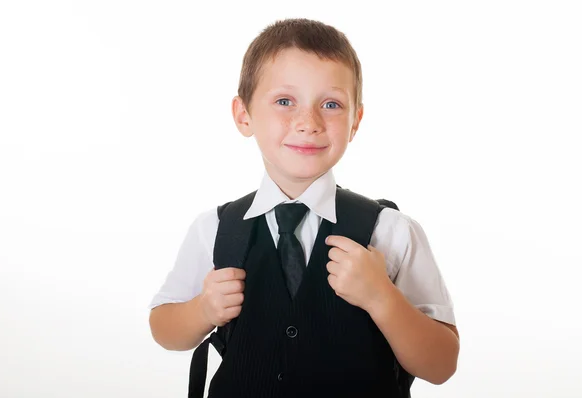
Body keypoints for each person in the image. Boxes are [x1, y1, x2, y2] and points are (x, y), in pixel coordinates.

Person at [149, 17, 459, 398]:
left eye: (331, 104)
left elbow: (442, 365)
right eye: (284, 101)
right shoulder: (214, 228)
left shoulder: (391, 232)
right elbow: (163, 328)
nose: (308, 122)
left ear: (355, 121)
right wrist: (203, 310)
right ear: (243, 115)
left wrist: (382, 298)